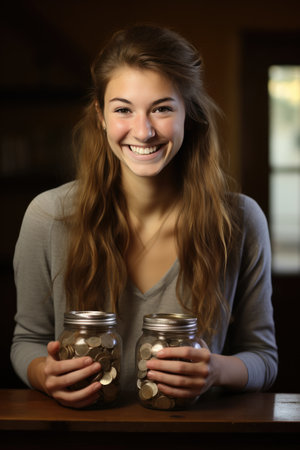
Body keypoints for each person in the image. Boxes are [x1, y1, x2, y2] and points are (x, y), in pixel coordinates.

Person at [11, 24, 278, 409]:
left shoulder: (239, 219)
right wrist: (43, 373)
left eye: (162, 108)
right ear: (101, 116)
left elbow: (263, 358)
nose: (144, 130)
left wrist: (215, 371)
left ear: (190, 113)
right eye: (123, 109)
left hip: (199, 439)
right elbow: (27, 342)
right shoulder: (48, 216)